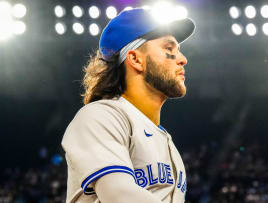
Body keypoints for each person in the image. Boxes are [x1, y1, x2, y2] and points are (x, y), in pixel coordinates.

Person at [61, 7, 195, 203]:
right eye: (169, 49)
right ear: (135, 59)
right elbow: (119, 195)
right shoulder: (100, 116)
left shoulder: (166, 141)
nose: (183, 59)